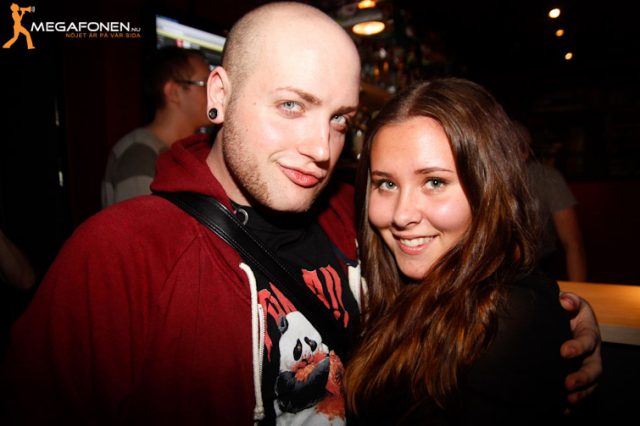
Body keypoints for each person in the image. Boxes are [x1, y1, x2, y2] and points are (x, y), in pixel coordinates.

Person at [1, 3, 600, 425]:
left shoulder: (361, 216)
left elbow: (459, 294)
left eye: (339, 118)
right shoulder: (120, 253)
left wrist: (546, 326)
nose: (321, 147)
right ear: (218, 95)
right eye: (292, 105)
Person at [344, 78, 595, 424]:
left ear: (487, 188)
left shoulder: (505, 322)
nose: (402, 214)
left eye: (434, 182)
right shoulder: (404, 288)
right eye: (386, 183)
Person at [101, 46, 212, 207]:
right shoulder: (140, 154)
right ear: (173, 92)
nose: (215, 91)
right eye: (205, 84)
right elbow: (140, 221)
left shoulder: (193, 152)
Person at [514, 121, 588, 282]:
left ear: (524, 151)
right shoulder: (479, 179)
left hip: (540, 269)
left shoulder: (548, 179)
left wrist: (579, 291)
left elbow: (572, 242)